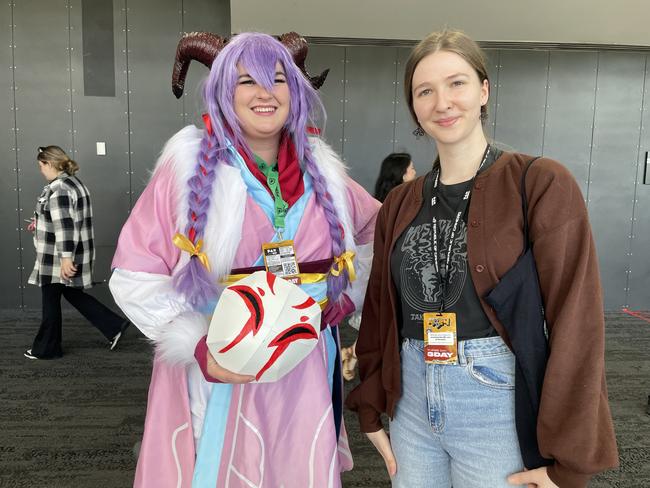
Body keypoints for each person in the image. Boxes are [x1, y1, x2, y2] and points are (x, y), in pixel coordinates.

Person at [346, 29, 618, 488]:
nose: (442, 102)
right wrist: (371, 407)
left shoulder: (539, 183)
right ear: (414, 105)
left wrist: (569, 461)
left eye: (457, 83)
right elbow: (379, 309)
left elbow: (578, 320)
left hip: (494, 397)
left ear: (484, 89)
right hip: (412, 398)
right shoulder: (399, 203)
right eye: (425, 90)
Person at [109, 32, 379, 487]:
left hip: (303, 357)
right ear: (221, 93)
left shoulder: (325, 171)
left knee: (298, 464)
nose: (264, 93)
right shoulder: (186, 168)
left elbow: (375, 232)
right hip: (220, 361)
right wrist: (198, 346)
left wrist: (346, 298)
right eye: (245, 82)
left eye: (277, 79)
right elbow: (135, 272)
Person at [24, 145, 129, 360]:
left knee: (50, 300)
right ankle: (113, 325)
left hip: (56, 257)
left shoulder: (59, 189)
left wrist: (65, 259)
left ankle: (47, 348)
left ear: (50, 164)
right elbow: (63, 218)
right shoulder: (72, 183)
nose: (40, 170)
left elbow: (66, 227)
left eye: (41, 166)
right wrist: (39, 222)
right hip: (65, 253)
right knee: (69, 292)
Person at [341, 152, 417, 379]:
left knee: (387, 323)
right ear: (402, 174)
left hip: (386, 273)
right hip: (392, 274)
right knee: (390, 322)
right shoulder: (401, 203)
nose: (414, 172)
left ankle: (354, 354)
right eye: (411, 169)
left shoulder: (381, 202)